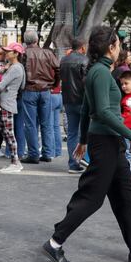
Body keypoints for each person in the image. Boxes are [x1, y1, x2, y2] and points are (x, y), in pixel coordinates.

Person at [42, 26, 131, 262]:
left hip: (108, 142)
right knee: (92, 197)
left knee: (127, 195)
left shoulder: (99, 72)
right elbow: (102, 111)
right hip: (106, 144)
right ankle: (55, 243)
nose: (120, 47)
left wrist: (83, 141)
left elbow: (87, 108)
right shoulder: (100, 73)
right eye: (118, 43)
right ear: (111, 47)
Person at [0, 43, 26, 173]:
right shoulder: (17, 67)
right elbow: (22, 85)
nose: (6, 53)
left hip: (7, 103)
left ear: (16, 54)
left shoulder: (15, 68)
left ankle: (16, 162)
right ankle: (15, 161)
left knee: (9, 134)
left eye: (9, 51)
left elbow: (0, 85)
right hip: (7, 102)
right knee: (5, 132)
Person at [21, 30, 60, 163]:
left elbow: (21, 71)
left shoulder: (24, 53)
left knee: (30, 124)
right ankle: (47, 153)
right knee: (46, 123)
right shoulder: (48, 53)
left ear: (26, 41)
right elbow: (58, 68)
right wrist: (55, 83)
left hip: (30, 90)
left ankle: (33, 154)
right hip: (45, 90)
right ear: (37, 40)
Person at [60, 39, 88, 174]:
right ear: (82, 47)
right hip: (82, 100)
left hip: (68, 99)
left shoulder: (64, 60)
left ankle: (73, 163)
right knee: (85, 132)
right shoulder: (84, 60)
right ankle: (84, 160)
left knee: (72, 133)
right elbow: (86, 81)